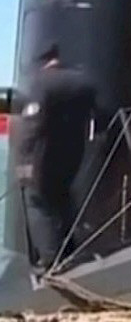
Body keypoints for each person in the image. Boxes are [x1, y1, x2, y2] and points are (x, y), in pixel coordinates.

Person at [15, 42, 97, 273]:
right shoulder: (83, 83)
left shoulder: (41, 84)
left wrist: (22, 163)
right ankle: (69, 251)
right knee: (62, 200)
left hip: (43, 157)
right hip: (73, 155)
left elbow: (32, 125)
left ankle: (51, 261)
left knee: (37, 202)